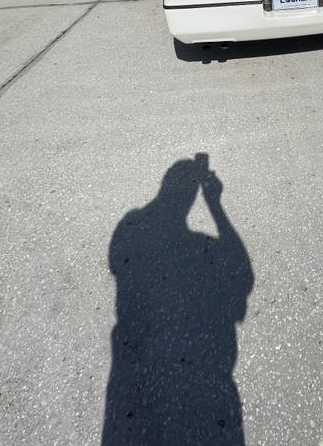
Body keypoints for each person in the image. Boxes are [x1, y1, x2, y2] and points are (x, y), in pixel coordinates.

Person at [102, 158, 253, 445]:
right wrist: (215, 206)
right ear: (194, 196)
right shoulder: (200, 248)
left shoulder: (129, 227)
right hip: (212, 391)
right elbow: (241, 275)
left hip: (131, 385)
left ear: (164, 187)